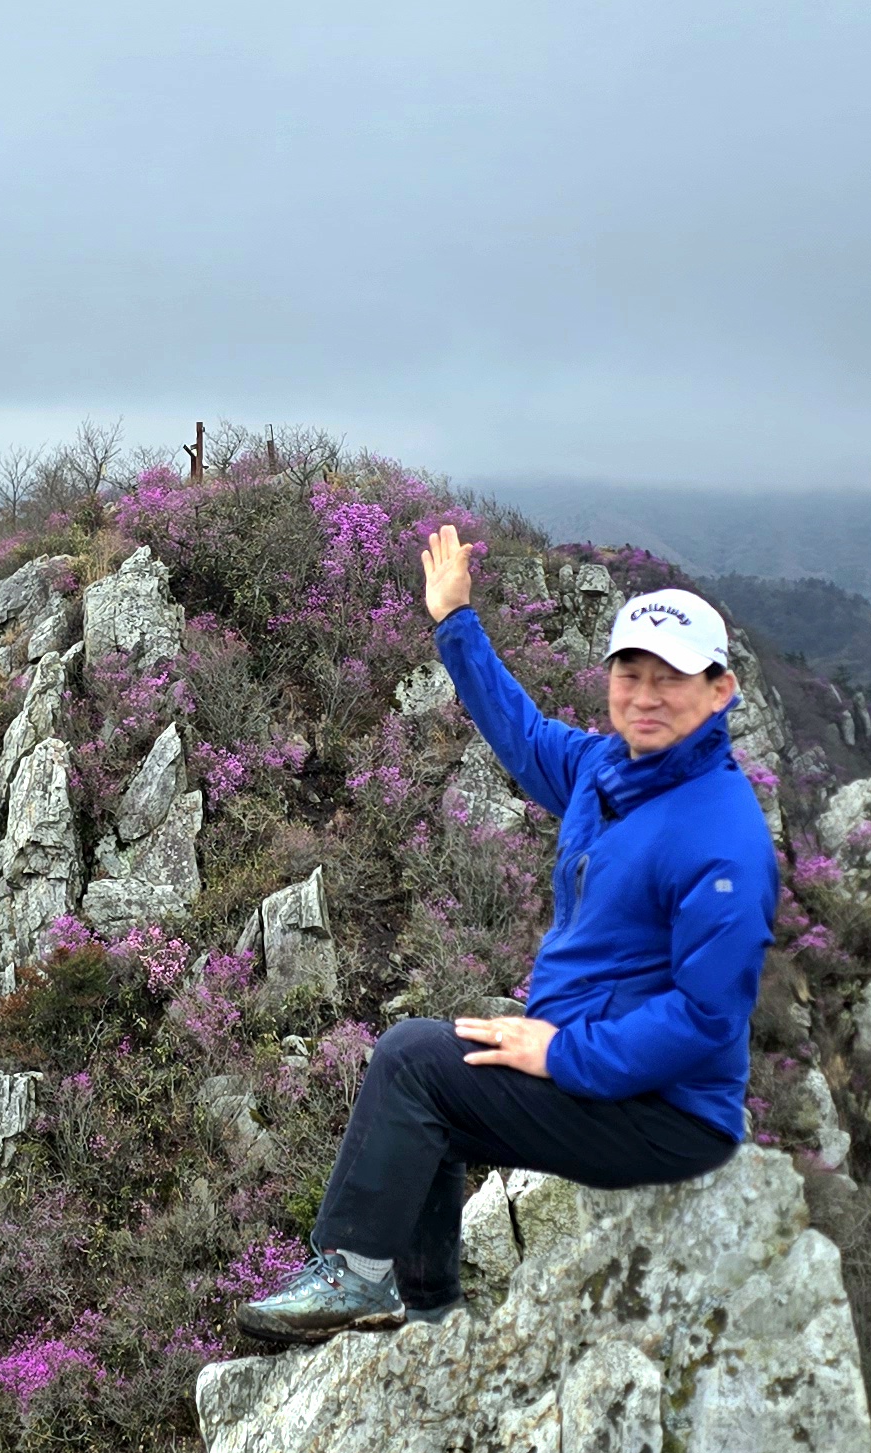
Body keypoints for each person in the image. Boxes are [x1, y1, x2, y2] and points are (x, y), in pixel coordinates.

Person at [234, 523, 770, 1343]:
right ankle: (425, 1307)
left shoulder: (721, 837)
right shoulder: (607, 771)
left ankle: (357, 1273)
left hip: (666, 1111)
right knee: (438, 1099)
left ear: (720, 691)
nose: (646, 695)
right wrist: (455, 621)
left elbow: (706, 1020)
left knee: (414, 1060)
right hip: (601, 1070)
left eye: (672, 679)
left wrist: (562, 1054)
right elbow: (522, 735)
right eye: (631, 673)